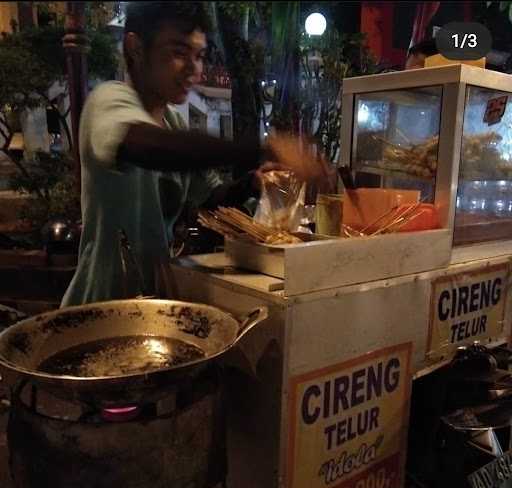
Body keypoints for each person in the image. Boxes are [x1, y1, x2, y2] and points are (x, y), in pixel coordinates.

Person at [60, 1, 331, 307]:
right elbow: (150, 148)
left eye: (199, 56)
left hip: (149, 305)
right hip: (99, 306)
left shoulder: (173, 123)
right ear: (135, 48)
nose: (194, 69)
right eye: (178, 52)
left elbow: (208, 200)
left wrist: (252, 183)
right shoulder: (108, 102)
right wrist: (264, 147)